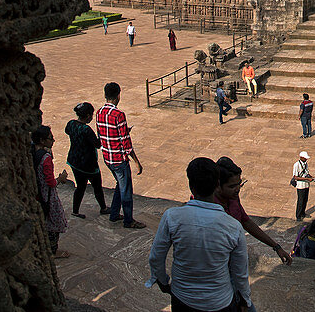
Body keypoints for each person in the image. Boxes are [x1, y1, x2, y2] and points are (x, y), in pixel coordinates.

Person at [147, 157, 253, 312]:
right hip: (219, 301)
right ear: (217, 185)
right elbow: (240, 272)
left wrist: (162, 281)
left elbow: (156, 257)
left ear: (191, 186)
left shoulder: (172, 217)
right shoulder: (233, 227)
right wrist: (244, 299)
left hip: (182, 298)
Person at [214, 157, 292, 265]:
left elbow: (246, 221)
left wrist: (276, 247)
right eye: (232, 186)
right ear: (218, 186)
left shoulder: (232, 198)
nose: (238, 189)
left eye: (239, 184)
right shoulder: (211, 207)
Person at [96, 82, 146, 229]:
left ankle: (114, 214)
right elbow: (126, 142)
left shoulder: (99, 112)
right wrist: (137, 161)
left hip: (107, 157)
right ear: (118, 95)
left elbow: (102, 134)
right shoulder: (118, 115)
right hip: (118, 158)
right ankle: (129, 220)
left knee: (120, 185)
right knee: (126, 190)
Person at [65, 102, 109, 218]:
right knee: (97, 187)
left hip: (74, 161)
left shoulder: (71, 124)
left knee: (80, 187)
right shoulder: (86, 129)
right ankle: (103, 207)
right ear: (88, 115)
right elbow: (97, 144)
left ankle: (75, 210)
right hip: (88, 164)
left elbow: (67, 131)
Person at [31, 125, 70, 257]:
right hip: (47, 195)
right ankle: (52, 251)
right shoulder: (46, 158)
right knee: (55, 223)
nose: (53, 141)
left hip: (38, 194)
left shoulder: (33, 153)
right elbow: (51, 182)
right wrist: (60, 178)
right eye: (51, 138)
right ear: (42, 141)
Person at [291, 150, 315, 219]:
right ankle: (298, 216)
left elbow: (306, 172)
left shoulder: (305, 163)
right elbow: (295, 177)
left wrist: (311, 177)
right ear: (301, 157)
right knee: (300, 201)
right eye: (305, 158)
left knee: (305, 199)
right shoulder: (296, 165)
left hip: (306, 185)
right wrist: (307, 179)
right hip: (300, 185)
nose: (306, 159)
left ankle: (303, 213)